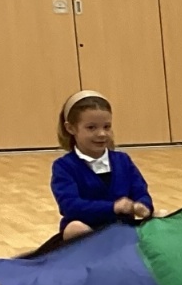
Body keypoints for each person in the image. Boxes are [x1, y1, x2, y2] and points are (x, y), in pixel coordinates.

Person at [50, 91, 154, 243]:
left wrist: (143, 206)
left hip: (122, 229)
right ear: (71, 128)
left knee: (161, 217)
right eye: (91, 128)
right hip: (87, 233)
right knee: (75, 228)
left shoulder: (123, 160)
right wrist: (113, 207)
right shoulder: (64, 166)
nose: (102, 133)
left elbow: (141, 192)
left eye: (107, 127)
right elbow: (70, 206)